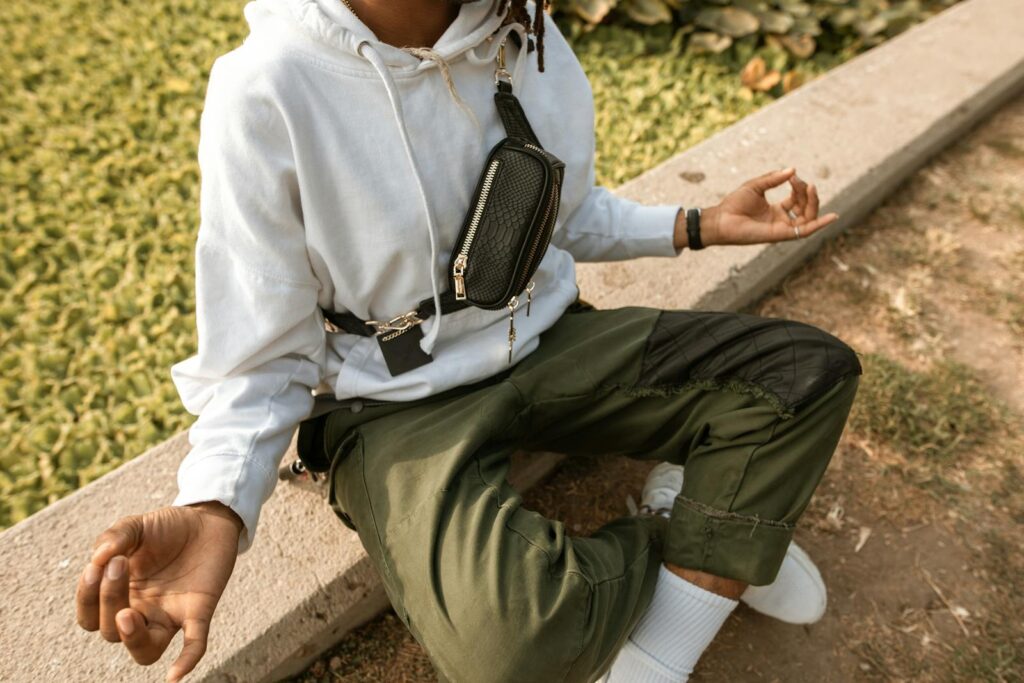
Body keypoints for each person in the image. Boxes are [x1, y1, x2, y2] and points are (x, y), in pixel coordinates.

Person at [73, 1, 862, 681]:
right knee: (511, 643)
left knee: (803, 374)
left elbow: (566, 212)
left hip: (546, 335)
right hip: (391, 404)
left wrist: (696, 224)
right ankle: (703, 528)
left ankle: (669, 630)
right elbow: (261, 351)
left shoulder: (521, 27)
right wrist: (216, 505)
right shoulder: (267, 89)